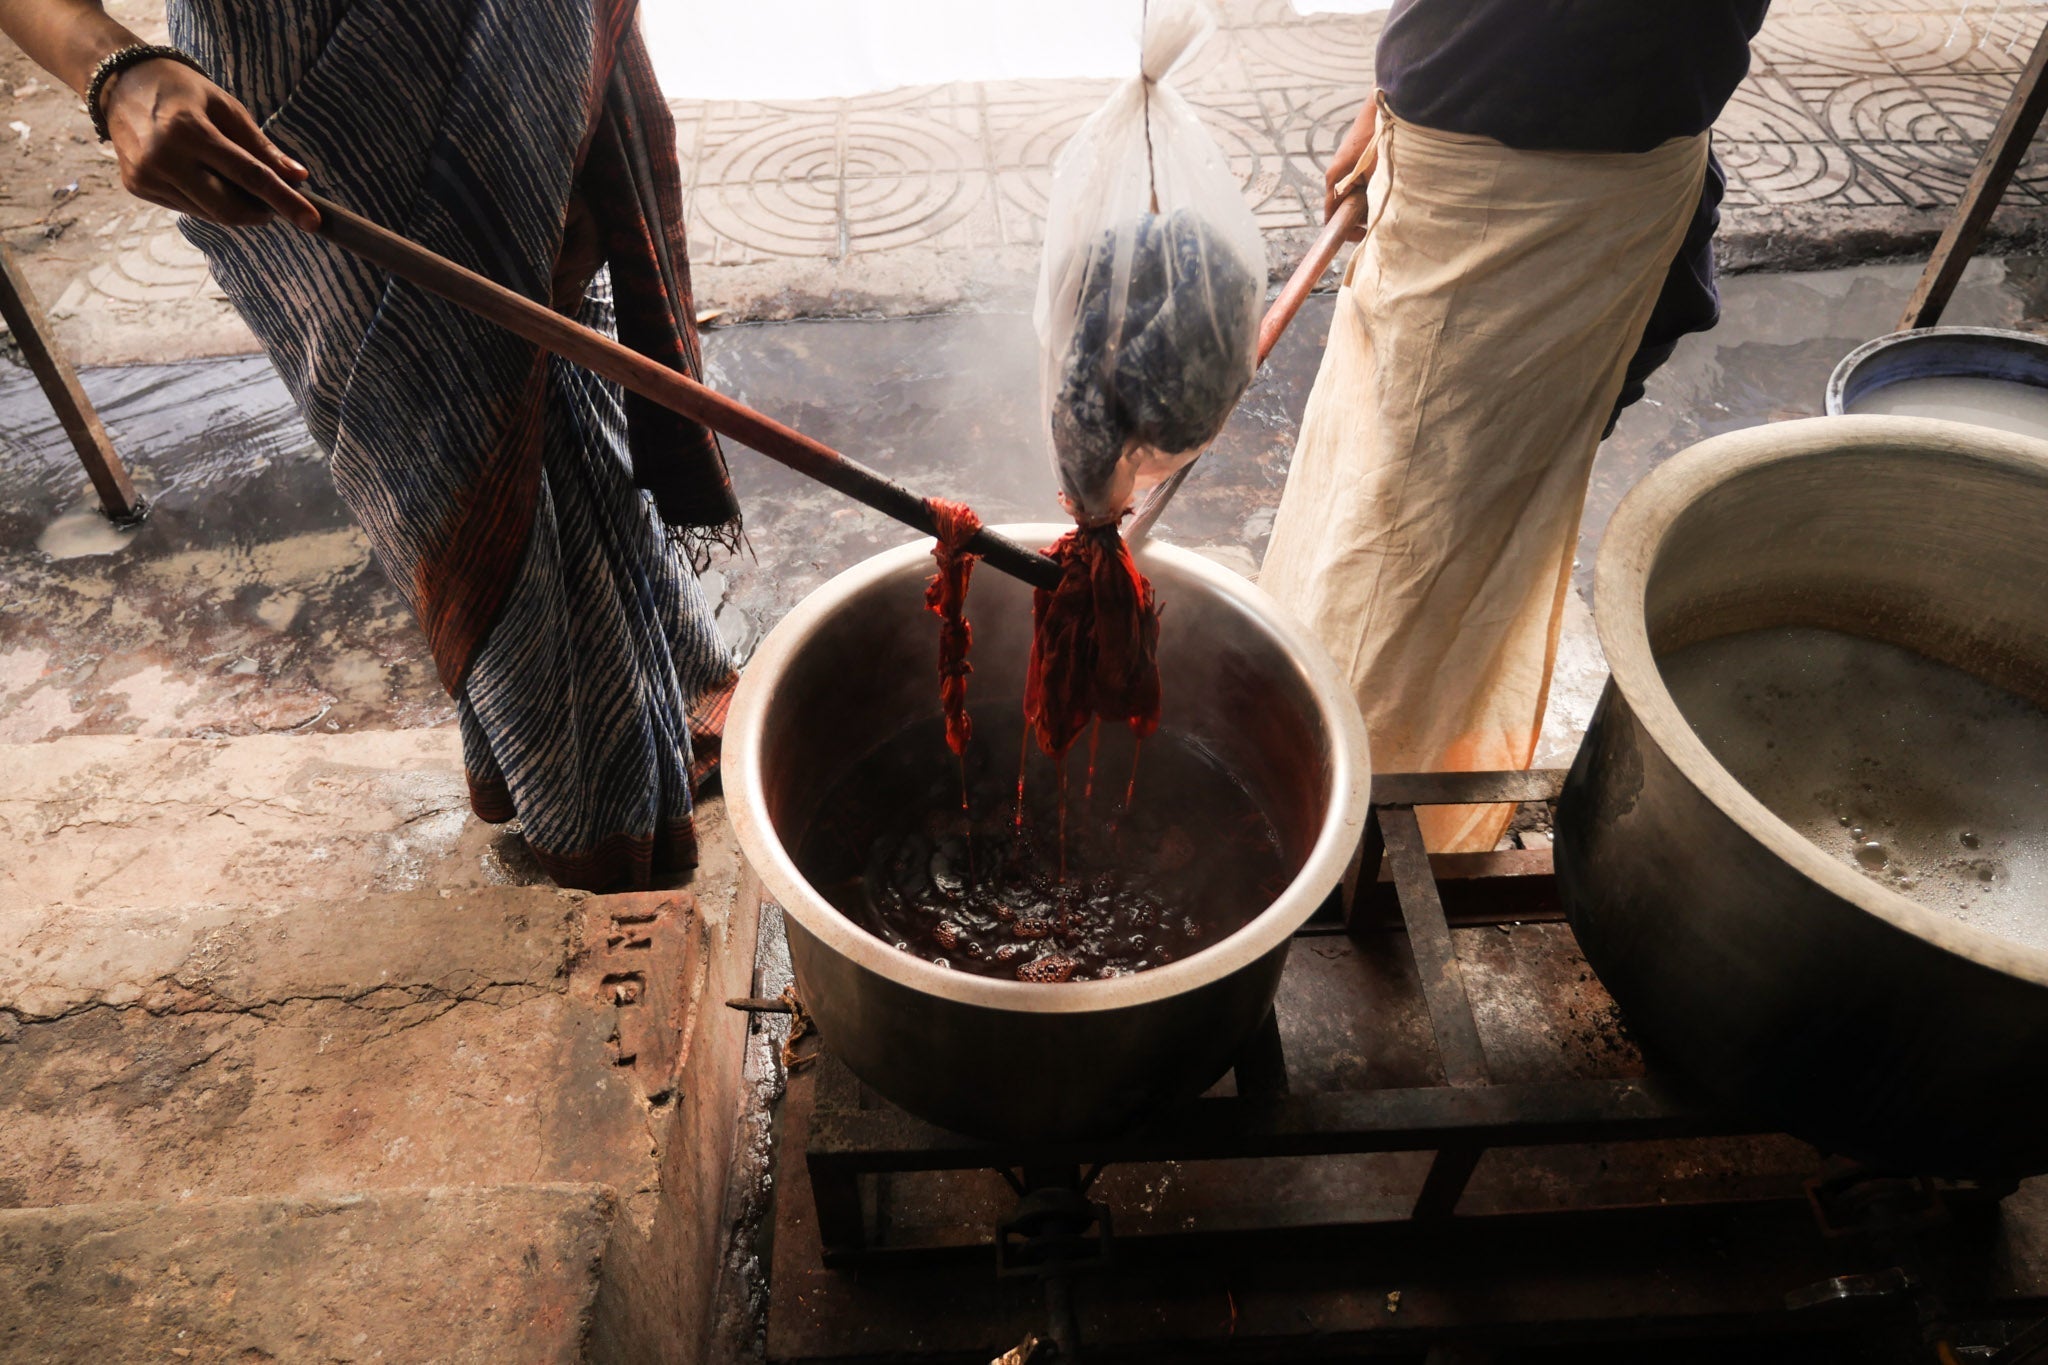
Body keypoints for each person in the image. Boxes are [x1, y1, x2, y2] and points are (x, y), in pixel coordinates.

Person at [0, 0, 742, 891]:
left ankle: (653, 716)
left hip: (521, 46)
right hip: (315, 121)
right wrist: (111, 68)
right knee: (460, 464)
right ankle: (594, 806)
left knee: (569, 387)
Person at [1259, 1, 1770, 851]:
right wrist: (1384, 94)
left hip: (1600, 195)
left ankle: (1357, 830)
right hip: (1448, 164)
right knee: (1373, 507)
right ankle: (1311, 780)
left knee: (1436, 547)